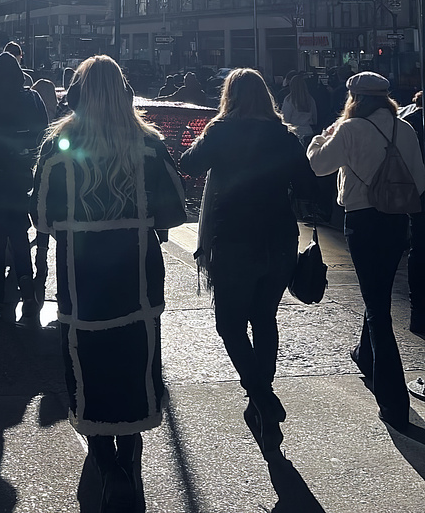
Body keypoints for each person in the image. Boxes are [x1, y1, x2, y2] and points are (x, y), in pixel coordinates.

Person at [32, 55, 186, 509]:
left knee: (86, 359)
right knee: (137, 356)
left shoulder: (59, 146)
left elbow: (41, 216)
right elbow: (176, 209)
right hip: (137, 274)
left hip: (83, 279)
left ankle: (103, 455)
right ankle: (130, 450)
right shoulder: (150, 145)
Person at [181, 68, 317, 455]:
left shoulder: (221, 131)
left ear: (231, 96)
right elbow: (308, 189)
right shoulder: (284, 136)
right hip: (278, 240)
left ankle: (260, 395)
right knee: (264, 318)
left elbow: (190, 164)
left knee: (229, 324)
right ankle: (262, 400)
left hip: (234, 241)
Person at [308, 71, 425, 433]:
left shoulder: (348, 129)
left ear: (354, 98)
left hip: (363, 222)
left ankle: (394, 404)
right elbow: (419, 181)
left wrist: (317, 139)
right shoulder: (403, 129)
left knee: (377, 309)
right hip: (396, 222)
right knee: (378, 293)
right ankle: (364, 355)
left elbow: (318, 165)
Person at [0, 52, 48, 318]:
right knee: (20, 231)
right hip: (23, 172)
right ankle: (27, 285)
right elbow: (44, 133)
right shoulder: (32, 98)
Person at [399, 92, 425, 335]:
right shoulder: (411, 121)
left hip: (419, 193)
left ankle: (418, 313)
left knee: (419, 250)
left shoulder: (407, 120)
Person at [280, 72, 317, 146]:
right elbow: (314, 119)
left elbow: (285, 119)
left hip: (295, 134)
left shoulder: (288, 100)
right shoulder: (310, 99)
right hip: (308, 132)